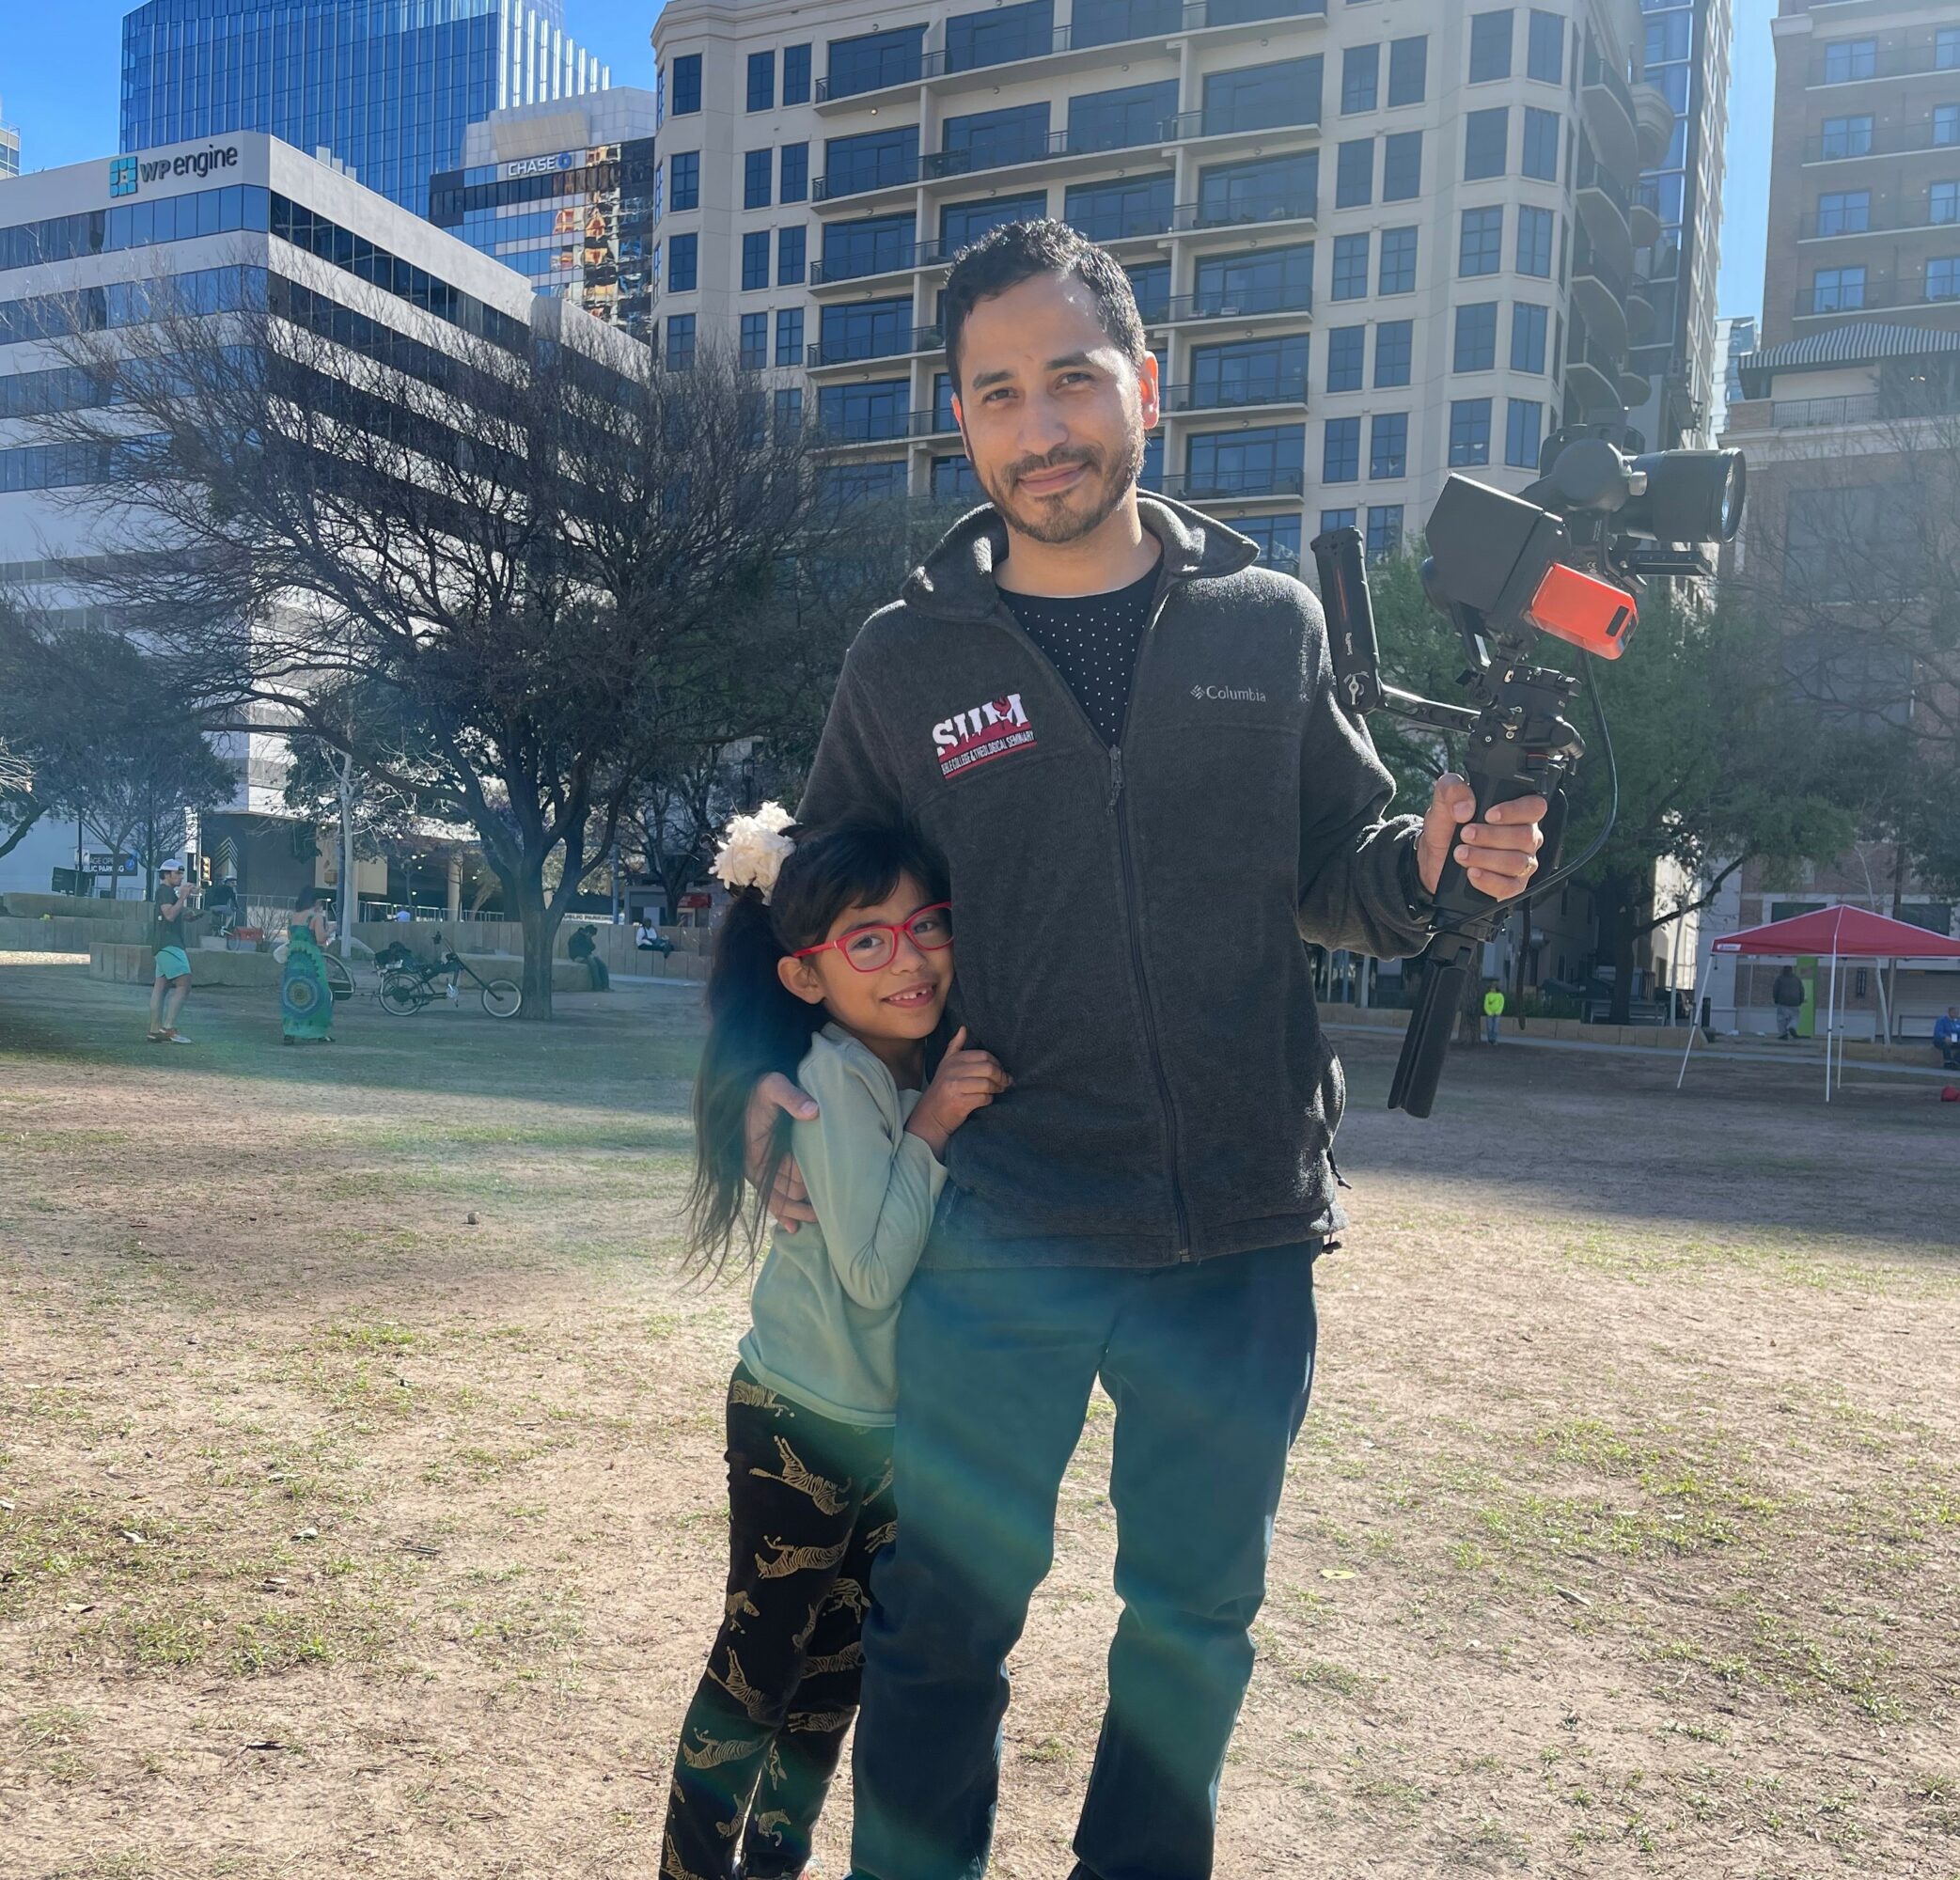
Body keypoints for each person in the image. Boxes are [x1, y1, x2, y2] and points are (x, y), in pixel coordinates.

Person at [744, 223, 1547, 1880]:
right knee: (942, 1635)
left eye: (1073, 378)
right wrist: (767, 1075)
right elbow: (820, 909)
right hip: (1006, 1221)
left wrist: (1434, 861)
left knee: (1192, 1628)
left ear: (1147, 390)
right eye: (998, 393)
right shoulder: (907, 662)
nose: (1042, 426)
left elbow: (1348, 870)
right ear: (961, 425)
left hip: (1238, 1225)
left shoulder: (1265, 624)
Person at [664, 818, 1009, 1880]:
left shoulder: (901, 1062)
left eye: (926, 925)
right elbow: (870, 1270)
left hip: (885, 1428)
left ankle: (775, 1864)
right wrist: (935, 1127)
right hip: (799, 1414)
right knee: (760, 1666)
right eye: (867, 940)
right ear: (805, 975)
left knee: (833, 1680)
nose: (909, 958)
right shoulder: (839, 1077)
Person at [147, 860, 197, 1043]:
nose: (181, 877)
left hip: (161, 944)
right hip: (169, 944)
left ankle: (154, 1030)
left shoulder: (165, 892)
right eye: (178, 873)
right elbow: (169, 915)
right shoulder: (165, 891)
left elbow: (172, 914)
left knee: (160, 987)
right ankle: (168, 1027)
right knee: (184, 982)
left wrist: (185, 913)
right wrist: (183, 897)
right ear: (167, 874)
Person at [280, 887, 337, 1044]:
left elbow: (291, 937)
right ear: (315, 902)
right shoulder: (316, 917)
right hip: (311, 960)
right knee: (318, 994)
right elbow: (320, 939)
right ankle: (317, 1031)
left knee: (293, 995)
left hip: (294, 958)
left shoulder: (292, 916)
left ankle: (290, 1031)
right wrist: (331, 929)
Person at [567, 921, 610, 991]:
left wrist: (589, 940)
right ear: (588, 933)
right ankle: (597, 986)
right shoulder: (575, 937)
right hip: (578, 957)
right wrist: (587, 955)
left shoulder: (586, 937)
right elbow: (575, 951)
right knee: (593, 965)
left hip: (587, 955)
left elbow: (592, 947)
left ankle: (605, 986)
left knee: (602, 965)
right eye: (592, 935)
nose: (592, 937)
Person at [1772, 964, 1806, 1039]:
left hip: (1782, 1002)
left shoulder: (1779, 979)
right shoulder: (1797, 979)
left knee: (1781, 1019)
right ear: (1792, 970)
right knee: (1794, 1017)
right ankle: (1792, 1027)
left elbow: (1775, 990)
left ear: (1783, 970)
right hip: (1795, 1003)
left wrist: (1776, 1000)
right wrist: (1800, 1000)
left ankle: (1783, 1034)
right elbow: (1801, 991)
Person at [1935, 1005, 1960, 1071]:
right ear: (1950, 1012)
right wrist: (1945, 1037)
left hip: (1954, 1040)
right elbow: (1938, 1032)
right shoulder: (1942, 1020)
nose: (1956, 1014)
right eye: (1955, 1013)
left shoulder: (1958, 1022)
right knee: (1946, 1044)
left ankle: (1956, 1061)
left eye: (1957, 1013)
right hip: (1941, 1040)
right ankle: (1947, 1062)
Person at [1482, 980, 1506, 1045]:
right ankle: (1490, 1040)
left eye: (1493, 988)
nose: (1492, 989)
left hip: (1497, 1014)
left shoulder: (1500, 995)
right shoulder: (1488, 995)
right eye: (1491, 988)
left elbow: (1501, 1004)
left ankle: (1494, 1040)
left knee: (1495, 1027)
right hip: (1489, 1014)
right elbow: (1486, 1005)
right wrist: (1489, 1012)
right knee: (1489, 1027)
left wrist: (1498, 1012)